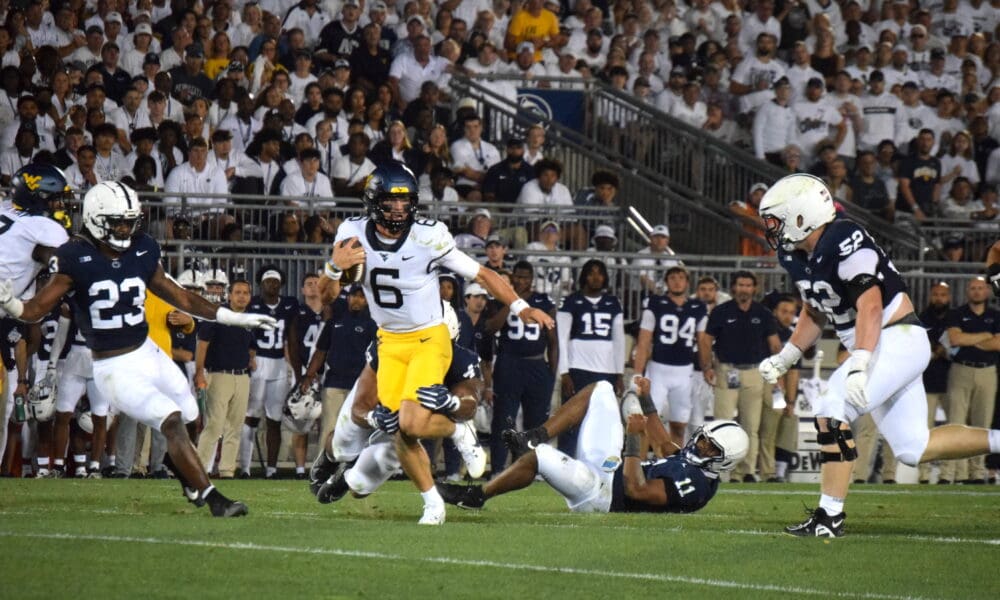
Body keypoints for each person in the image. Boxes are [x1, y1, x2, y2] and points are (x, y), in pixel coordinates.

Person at [0, 181, 278, 516]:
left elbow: (181, 296)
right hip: (112, 366)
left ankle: (185, 475)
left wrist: (231, 318)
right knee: (171, 421)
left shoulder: (142, 247)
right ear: (97, 218)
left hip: (148, 351)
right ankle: (213, 498)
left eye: (130, 221)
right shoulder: (73, 256)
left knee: (191, 416)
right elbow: (35, 309)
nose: (125, 228)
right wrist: (12, 304)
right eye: (118, 221)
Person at [757, 173, 1000, 537]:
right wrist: (788, 355)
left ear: (801, 216)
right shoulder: (796, 253)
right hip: (881, 343)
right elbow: (815, 310)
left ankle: (830, 517)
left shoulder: (843, 236)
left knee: (830, 408)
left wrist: (860, 361)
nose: (771, 229)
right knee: (913, 448)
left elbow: (870, 305)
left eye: (775, 220)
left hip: (895, 336)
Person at [318, 162, 554, 524]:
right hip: (388, 342)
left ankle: (458, 428)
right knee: (398, 427)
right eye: (391, 201)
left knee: (412, 423)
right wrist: (334, 268)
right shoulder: (352, 233)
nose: (399, 209)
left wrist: (521, 307)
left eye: (405, 201)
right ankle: (433, 502)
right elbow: (326, 297)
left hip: (429, 338)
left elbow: (483, 273)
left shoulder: (428, 235)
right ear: (373, 200)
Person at [437, 377, 750, 514]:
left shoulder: (695, 484)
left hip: (602, 496)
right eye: (705, 438)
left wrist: (632, 438)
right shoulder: (694, 465)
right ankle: (535, 434)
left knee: (539, 459)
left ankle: (476, 496)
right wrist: (645, 396)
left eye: (711, 448)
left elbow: (635, 490)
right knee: (600, 389)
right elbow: (664, 441)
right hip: (609, 472)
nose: (702, 445)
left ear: (724, 461)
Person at [0, 164, 71, 466]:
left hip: (9, 317)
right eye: (53, 198)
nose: (58, 205)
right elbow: (68, 259)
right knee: (3, 408)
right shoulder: (44, 228)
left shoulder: (5, 209)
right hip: (5, 314)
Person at [700, 270, 780, 482]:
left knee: (751, 427)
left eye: (748, 285)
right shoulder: (721, 311)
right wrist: (707, 366)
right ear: (734, 288)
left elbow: (774, 345)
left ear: (754, 289)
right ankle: (721, 471)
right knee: (722, 425)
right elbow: (706, 341)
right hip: (726, 370)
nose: (744, 289)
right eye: (740, 285)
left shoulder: (763, 313)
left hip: (754, 372)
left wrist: (777, 372)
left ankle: (746, 471)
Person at [483, 260, 558, 472]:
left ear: (532, 279)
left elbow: (553, 341)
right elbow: (490, 328)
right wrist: (511, 302)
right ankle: (498, 467)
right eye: (518, 276)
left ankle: (533, 468)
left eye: (526, 277)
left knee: (536, 423)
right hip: (509, 364)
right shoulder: (501, 298)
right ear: (513, 277)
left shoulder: (543, 301)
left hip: (536, 365)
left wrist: (551, 372)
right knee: (503, 419)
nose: (521, 281)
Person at [556, 259, 625, 455]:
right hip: (578, 367)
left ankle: (601, 463)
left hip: (607, 370)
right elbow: (562, 337)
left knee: (605, 418)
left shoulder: (613, 302)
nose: (596, 277)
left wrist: (619, 373)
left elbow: (619, 339)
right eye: (591, 273)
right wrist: (564, 372)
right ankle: (565, 461)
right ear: (584, 276)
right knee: (571, 417)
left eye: (600, 273)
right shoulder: (571, 301)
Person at [632, 266, 708, 447]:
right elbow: (644, 341)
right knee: (646, 420)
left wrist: (707, 368)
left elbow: (703, 342)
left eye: (681, 277)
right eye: (672, 277)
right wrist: (637, 372)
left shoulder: (697, 307)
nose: (677, 281)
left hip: (685, 371)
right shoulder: (656, 304)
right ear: (666, 282)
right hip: (658, 369)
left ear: (687, 283)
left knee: (679, 425)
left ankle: (674, 467)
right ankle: (641, 464)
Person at [239, 268, 300, 479]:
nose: (272, 284)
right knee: (251, 415)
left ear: (281, 284)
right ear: (261, 284)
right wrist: (249, 358)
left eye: (275, 281)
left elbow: (292, 336)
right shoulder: (253, 304)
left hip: (280, 363)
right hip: (258, 362)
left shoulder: (289, 305)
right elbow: (246, 334)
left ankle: (272, 469)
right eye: (268, 281)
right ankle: (245, 467)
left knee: (275, 418)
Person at [194, 279, 256, 479]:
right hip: (219, 375)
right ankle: (200, 468)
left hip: (242, 377)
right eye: (237, 292)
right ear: (229, 295)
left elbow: (251, 345)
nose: (241, 296)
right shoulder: (216, 315)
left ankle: (227, 470)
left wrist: (251, 358)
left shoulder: (248, 319)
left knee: (235, 426)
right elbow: (202, 344)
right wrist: (199, 372)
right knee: (214, 425)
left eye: (245, 293)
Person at [940, 277, 999, 485]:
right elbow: (955, 339)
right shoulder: (957, 313)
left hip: (987, 372)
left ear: (987, 291)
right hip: (961, 369)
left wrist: (970, 339)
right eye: (973, 288)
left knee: (982, 425)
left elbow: (998, 344)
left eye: (980, 288)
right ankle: (950, 473)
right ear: (967, 291)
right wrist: (984, 336)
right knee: (956, 422)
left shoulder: (996, 315)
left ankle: (976, 472)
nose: (976, 291)